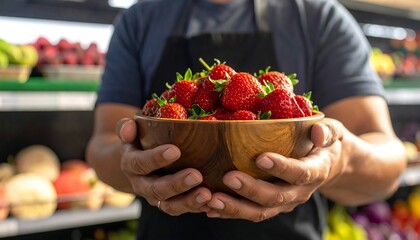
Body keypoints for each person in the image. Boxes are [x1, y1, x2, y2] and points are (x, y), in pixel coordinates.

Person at [86, 0, 408, 239]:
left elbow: (389, 161)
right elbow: (102, 146)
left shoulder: (320, 18)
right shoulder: (139, 20)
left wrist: (340, 159)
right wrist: (131, 162)